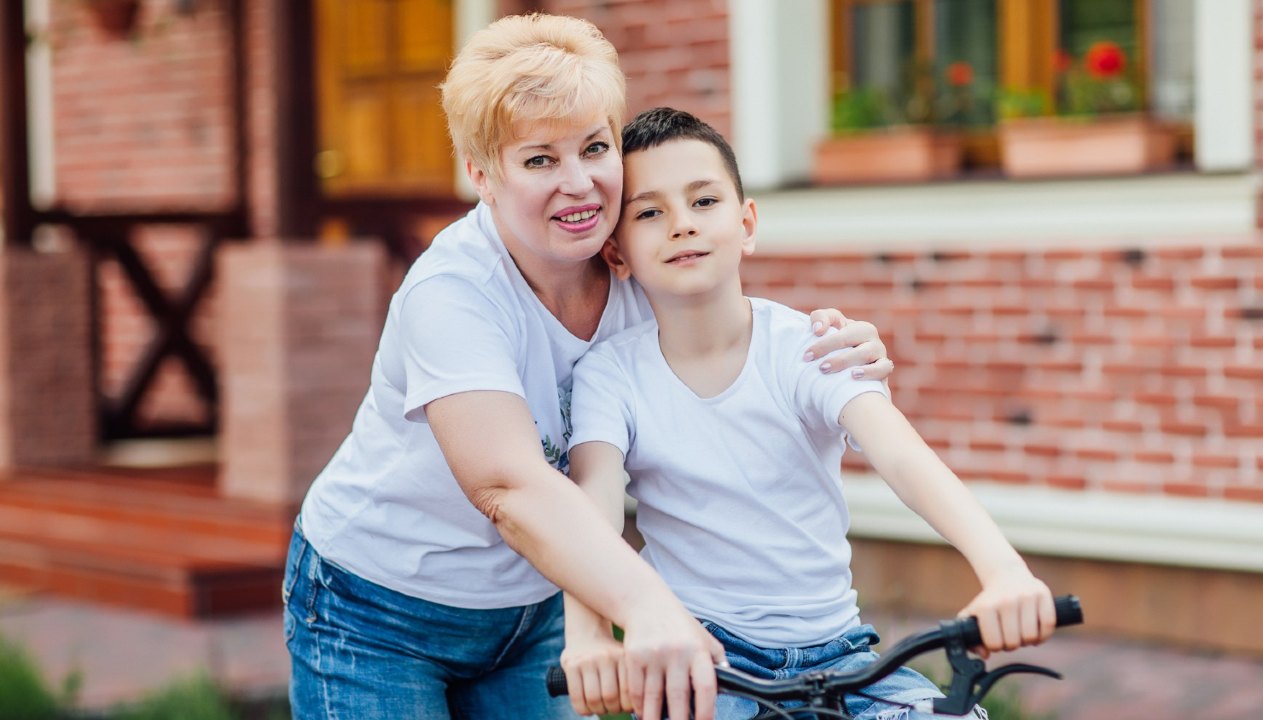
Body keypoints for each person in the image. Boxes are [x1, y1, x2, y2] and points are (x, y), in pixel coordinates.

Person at [283, 15, 892, 720]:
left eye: (594, 148)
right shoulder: (452, 294)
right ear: (480, 173)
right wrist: (647, 607)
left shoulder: (638, 259)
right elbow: (508, 487)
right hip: (378, 608)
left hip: (538, 603)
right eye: (539, 160)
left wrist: (839, 347)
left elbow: (739, 336)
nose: (579, 185)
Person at [561, 107, 1057, 720]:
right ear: (616, 250)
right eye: (650, 212)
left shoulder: (809, 346)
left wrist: (1004, 570)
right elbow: (593, 509)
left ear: (746, 224)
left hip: (843, 657)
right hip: (702, 660)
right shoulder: (610, 376)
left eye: (704, 201)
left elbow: (902, 457)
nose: (681, 225)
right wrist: (584, 634)